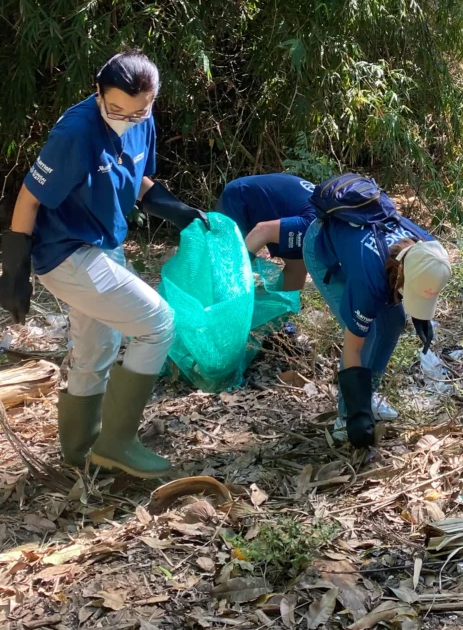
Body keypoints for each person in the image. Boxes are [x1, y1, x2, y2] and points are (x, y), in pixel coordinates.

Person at [0, 51, 208, 477]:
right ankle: (117, 443)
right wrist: (15, 268)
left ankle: (80, 448)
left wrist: (171, 207)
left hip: (103, 245)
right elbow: (30, 195)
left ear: (151, 100)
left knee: (98, 347)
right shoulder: (76, 132)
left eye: (138, 111)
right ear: (98, 92)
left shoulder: (140, 119)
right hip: (65, 253)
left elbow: (136, 176)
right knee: (157, 324)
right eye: (116, 109)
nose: (126, 119)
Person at [302, 176, 452, 446]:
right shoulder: (371, 279)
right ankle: (346, 417)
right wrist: (358, 414)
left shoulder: (428, 251)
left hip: (364, 254)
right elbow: (353, 348)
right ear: (398, 278)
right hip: (324, 249)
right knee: (367, 333)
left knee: (394, 320)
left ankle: (369, 392)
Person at [216, 173, 316, 291]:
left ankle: (283, 306)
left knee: (298, 267)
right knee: (227, 258)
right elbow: (263, 231)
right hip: (240, 196)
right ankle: (219, 298)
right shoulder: (313, 225)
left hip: (278, 205)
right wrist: (235, 271)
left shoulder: (328, 220)